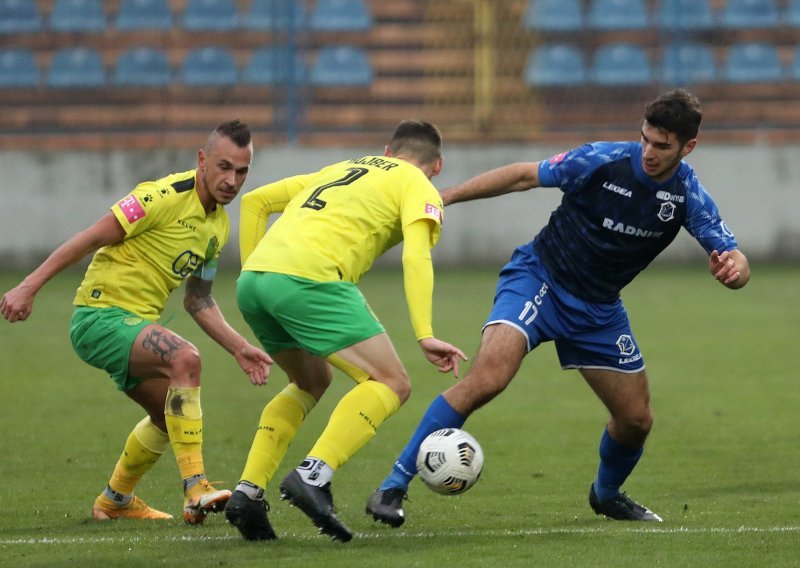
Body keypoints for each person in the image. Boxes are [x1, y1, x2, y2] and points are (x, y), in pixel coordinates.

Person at [366, 89, 750, 526]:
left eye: (662, 146)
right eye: (645, 139)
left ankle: (606, 495)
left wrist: (734, 270)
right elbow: (524, 176)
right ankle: (392, 486)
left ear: (688, 147)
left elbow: (733, 255)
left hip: (597, 310)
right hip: (540, 278)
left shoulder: (687, 194)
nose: (648, 151)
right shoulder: (601, 160)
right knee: (489, 378)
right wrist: (446, 197)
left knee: (636, 419)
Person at [1, 120, 272, 523]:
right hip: (99, 316)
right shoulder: (161, 196)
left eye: (242, 171)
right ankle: (195, 487)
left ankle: (115, 499)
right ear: (202, 160)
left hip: (134, 326)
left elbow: (198, 300)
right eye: (224, 166)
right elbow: (91, 236)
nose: (232, 180)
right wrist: (28, 287)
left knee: (169, 416)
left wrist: (239, 347)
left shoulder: (217, 227)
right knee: (186, 359)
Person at [223, 120, 467, 542]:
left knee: (310, 379)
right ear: (438, 166)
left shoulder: (341, 168)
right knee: (391, 382)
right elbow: (417, 257)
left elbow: (256, 202)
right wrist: (424, 332)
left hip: (256, 282)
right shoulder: (420, 186)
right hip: (311, 279)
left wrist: (256, 270)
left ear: (387, 152)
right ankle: (313, 475)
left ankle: (247, 492)